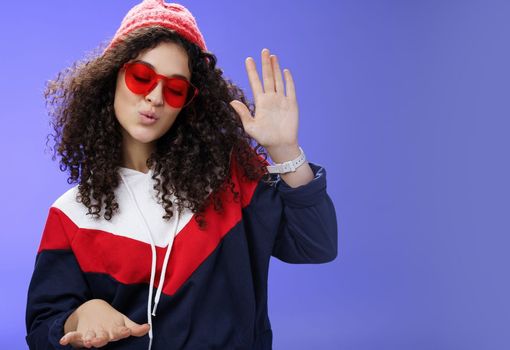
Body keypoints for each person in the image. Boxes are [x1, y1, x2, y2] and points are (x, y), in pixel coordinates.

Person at [25, 0, 338, 349]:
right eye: (141, 76)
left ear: (189, 103)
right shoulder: (71, 215)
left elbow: (316, 245)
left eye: (175, 89)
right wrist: (80, 315)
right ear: (111, 78)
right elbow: (42, 329)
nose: (155, 97)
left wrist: (285, 151)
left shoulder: (232, 180)